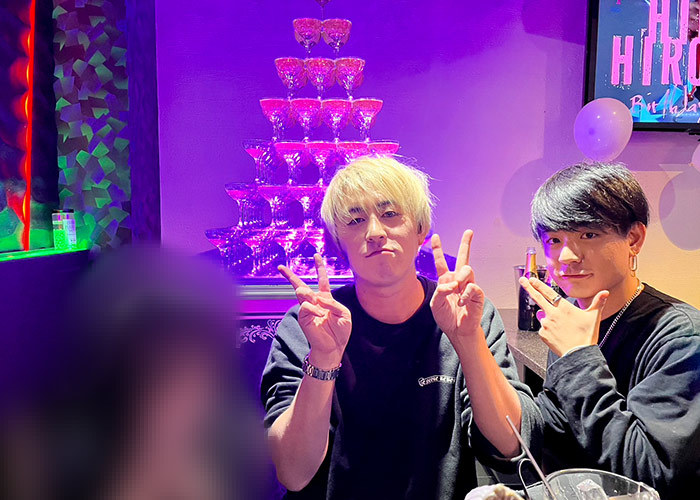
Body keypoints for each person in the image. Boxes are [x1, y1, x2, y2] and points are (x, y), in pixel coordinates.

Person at [260, 156, 541, 499]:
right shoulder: (309, 325)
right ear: (337, 244)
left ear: (421, 230)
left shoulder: (468, 315)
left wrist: (467, 340)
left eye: (390, 214)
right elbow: (292, 473)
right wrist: (324, 358)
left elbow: (510, 445)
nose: (375, 232)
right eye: (355, 220)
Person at [519, 162, 700, 500]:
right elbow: (560, 429)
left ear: (634, 238)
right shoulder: (572, 317)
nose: (566, 256)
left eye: (589, 235)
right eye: (554, 240)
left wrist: (578, 357)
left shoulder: (683, 338)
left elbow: (650, 477)